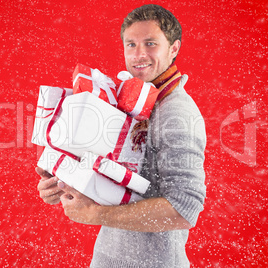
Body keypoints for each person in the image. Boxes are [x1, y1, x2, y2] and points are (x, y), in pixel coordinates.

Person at [36, 4, 206, 268]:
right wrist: (65, 182)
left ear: (173, 49)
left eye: (150, 44)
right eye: (131, 44)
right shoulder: (134, 100)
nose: (139, 54)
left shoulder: (177, 111)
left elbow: (184, 209)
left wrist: (96, 214)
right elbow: (120, 182)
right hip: (108, 257)